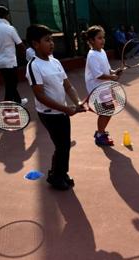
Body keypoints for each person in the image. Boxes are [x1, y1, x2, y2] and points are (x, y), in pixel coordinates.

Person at [25, 24, 83, 190]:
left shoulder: (55, 62)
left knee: (63, 145)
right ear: (35, 44)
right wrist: (66, 109)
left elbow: (68, 86)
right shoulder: (34, 66)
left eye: (52, 40)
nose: (51, 43)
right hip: (49, 114)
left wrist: (77, 102)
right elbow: (40, 96)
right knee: (62, 145)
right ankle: (56, 176)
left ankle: (60, 173)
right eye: (47, 40)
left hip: (62, 111)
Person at [82, 25, 122, 146]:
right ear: (91, 41)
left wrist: (114, 72)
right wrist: (112, 77)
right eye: (99, 38)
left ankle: (100, 132)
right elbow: (98, 75)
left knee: (109, 110)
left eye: (103, 37)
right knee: (106, 111)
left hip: (104, 86)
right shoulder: (92, 55)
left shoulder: (102, 51)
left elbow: (107, 69)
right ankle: (100, 135)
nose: (103, 40)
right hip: (96, 87)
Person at [0, 5, 27, 104]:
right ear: (6, 15)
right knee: (12, 84)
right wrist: (27, 57)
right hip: (10, 62)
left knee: (9, 83)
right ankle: (6, 105)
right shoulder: (10, 29)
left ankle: (19, 102)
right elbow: (20, 45)